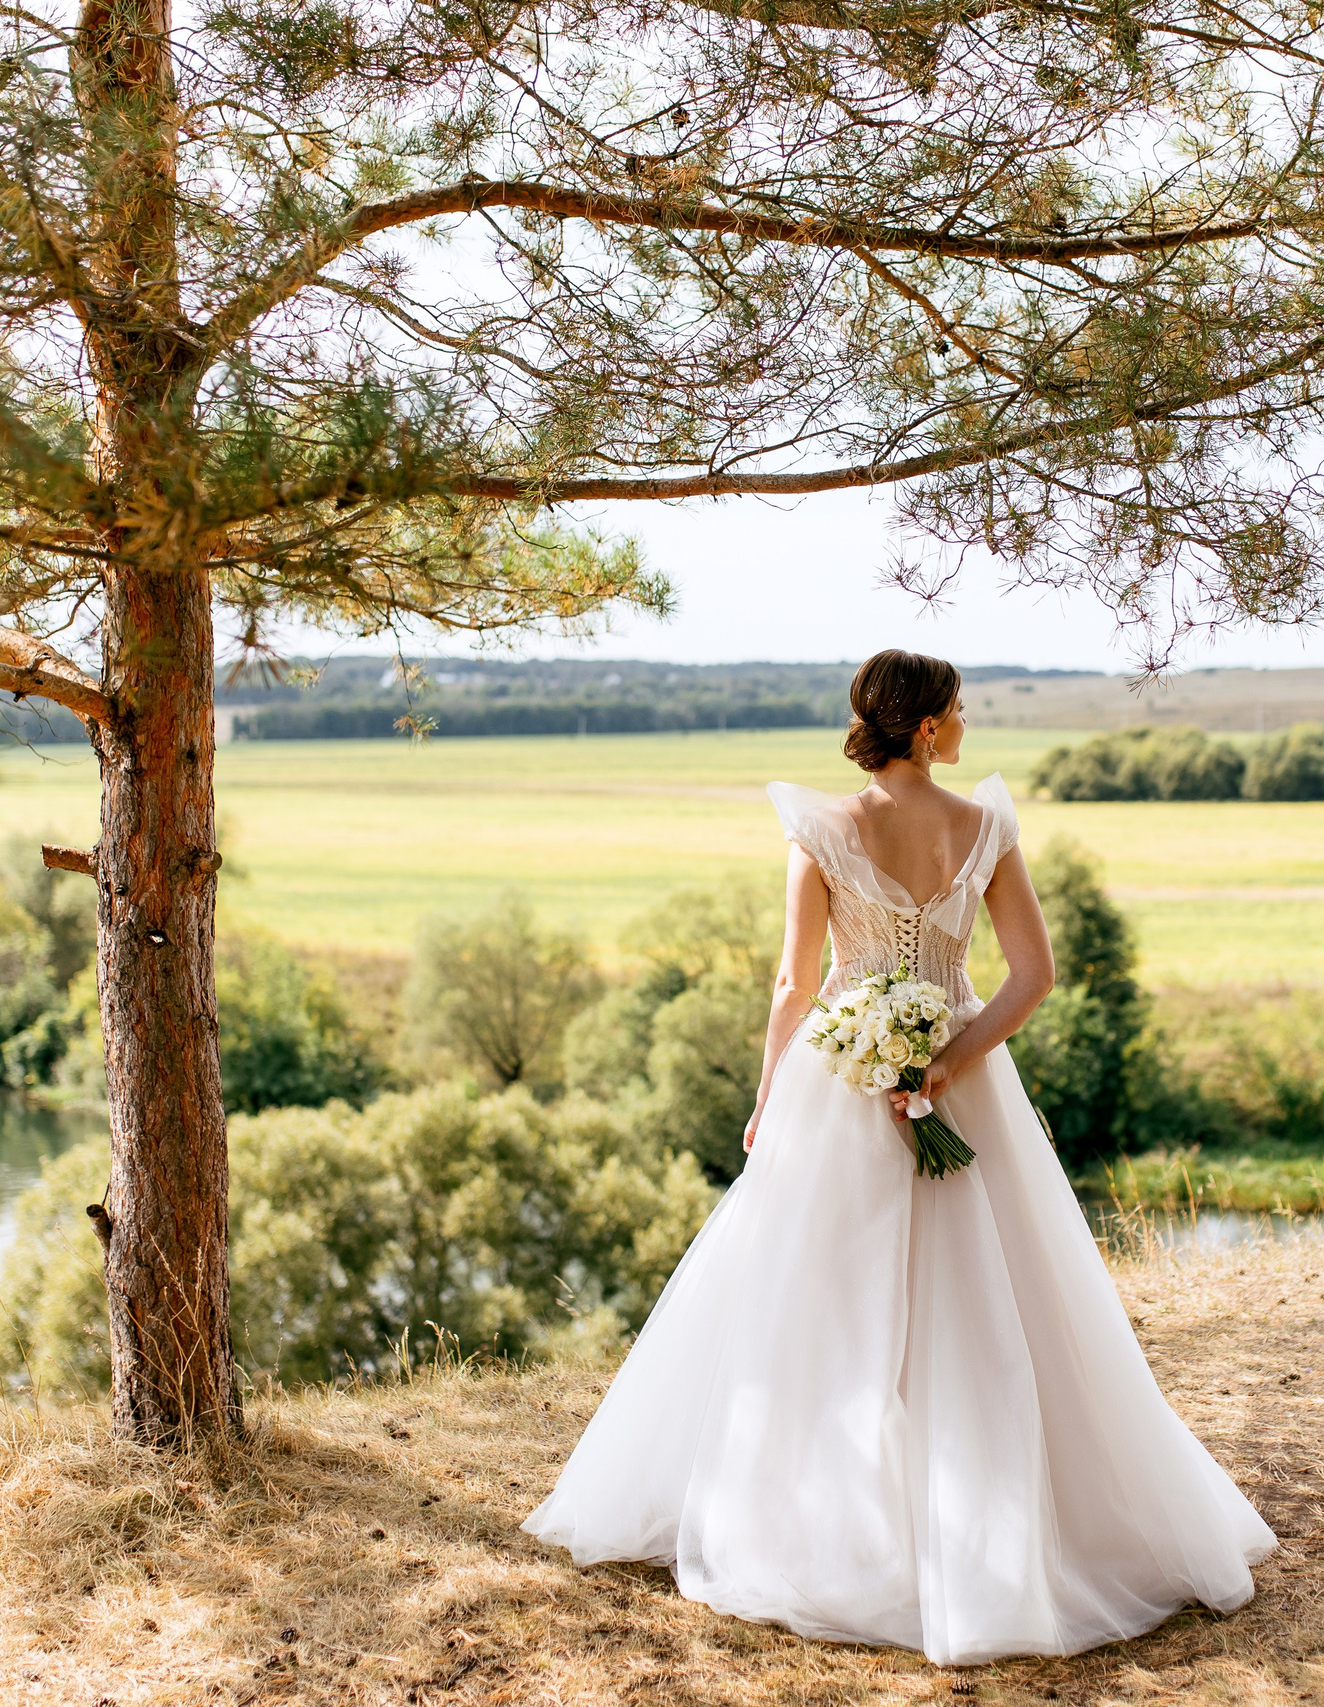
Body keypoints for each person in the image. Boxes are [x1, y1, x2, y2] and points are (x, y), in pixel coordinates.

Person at [523, 648, 1276, 1663]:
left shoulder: (824, 831)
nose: (966, 722)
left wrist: (769, 1092)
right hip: (966, 1081)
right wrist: (952, 1061)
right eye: (957, 709)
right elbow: (1032, 975)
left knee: (814, 1302)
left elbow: (793, 987)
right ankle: (1008, 1529)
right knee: (993, 1300)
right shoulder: (985, 826)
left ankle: (825, 1520)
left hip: (837, 1077)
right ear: (925, 727)